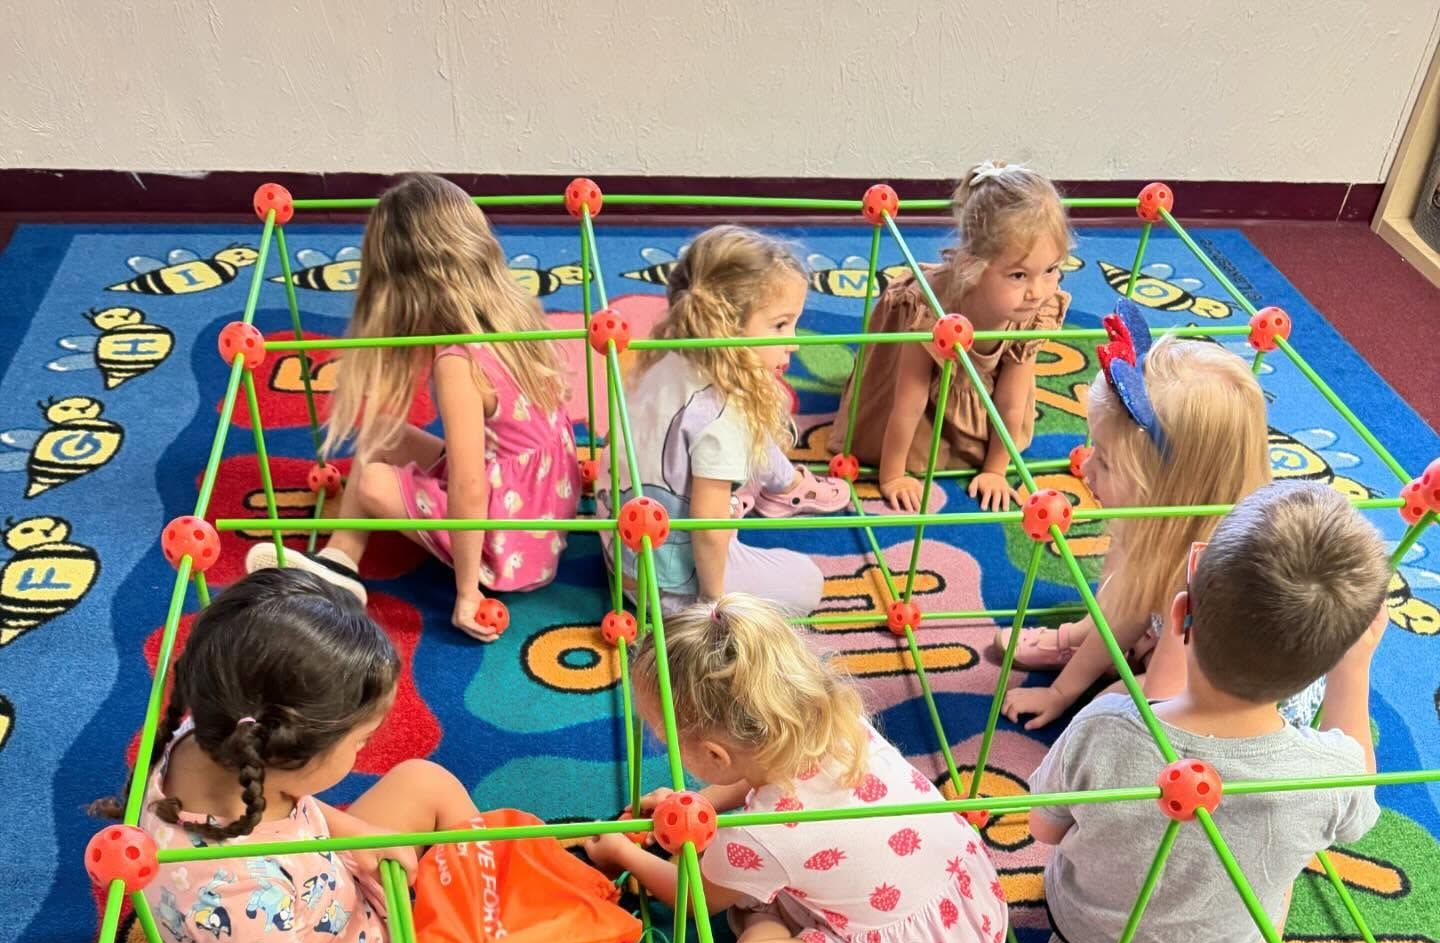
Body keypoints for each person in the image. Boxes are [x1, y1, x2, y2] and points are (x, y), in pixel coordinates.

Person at [104, 571, 654, 943]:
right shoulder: (242, 892)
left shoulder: (214, 734)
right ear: (284, 753)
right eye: (361, 741)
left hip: (322, 909)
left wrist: (351, 836)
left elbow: (290, 813)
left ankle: (481, 940)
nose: (369, 749)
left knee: (424, 780)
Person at [1030, 481, 1388, 943]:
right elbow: (1360, 804)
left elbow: (1044, 830)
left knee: (1097, 862)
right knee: (1281, 858)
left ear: (1179, 616)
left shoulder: (1106, 724)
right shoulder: (1326, 773)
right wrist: (1353, 671)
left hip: (1087, 922)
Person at [583, 596, 1007, 943]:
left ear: (714, 754)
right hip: (967, 898)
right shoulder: (836, 722)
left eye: (661, 734)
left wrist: (621, 854)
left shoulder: (758, 837)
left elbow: (692, 898)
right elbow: (753, 775)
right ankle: (770, 913)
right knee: (757, 881)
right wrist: (703, 803)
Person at [245, 173, 579, 642]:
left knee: (378, 480)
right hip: (543, 499)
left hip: (511, 539)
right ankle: (340, 559)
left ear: (403, 286)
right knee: (382, 431)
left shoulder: (457, 364)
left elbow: (467, 486)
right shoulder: (513, 310)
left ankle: (352, 567)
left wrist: (468, 594)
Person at [997, 302, 1272, 731]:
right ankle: (1097, 641)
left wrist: (1091, 707)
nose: (1084, 470)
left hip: (1222, 697)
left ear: (1170, 492)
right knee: (1126, 580)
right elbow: (1127, 607)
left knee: (1112, 714)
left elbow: (1165, 697)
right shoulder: (1170, 526)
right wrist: (1062, 691)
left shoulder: (1207, 577)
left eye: (1105, 463)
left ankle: (1133, 653)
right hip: (1173, 635)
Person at [604, 226, 847, 615]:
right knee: (807, 583)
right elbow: (709, 530)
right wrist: (715, 605)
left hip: (623, 548)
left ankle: (785, 484)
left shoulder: (670, 353)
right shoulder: (721, 414)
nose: (795, 342)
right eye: (781, 324)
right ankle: (768, 494)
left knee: (749, 420)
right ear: (726, 327)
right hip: (668, 588)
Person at [832, 162, 1071, 514]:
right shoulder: (931, 311)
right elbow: (908, 401)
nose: (1038, 291)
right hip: (915, 385)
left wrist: (994, 470)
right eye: (1019, 275)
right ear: (974, 265)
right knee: (901, 442)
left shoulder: (1032, 312)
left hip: (975, 388)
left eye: (1051, 270)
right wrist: (892, 476)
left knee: (1003, 430)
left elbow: (1010, 402)